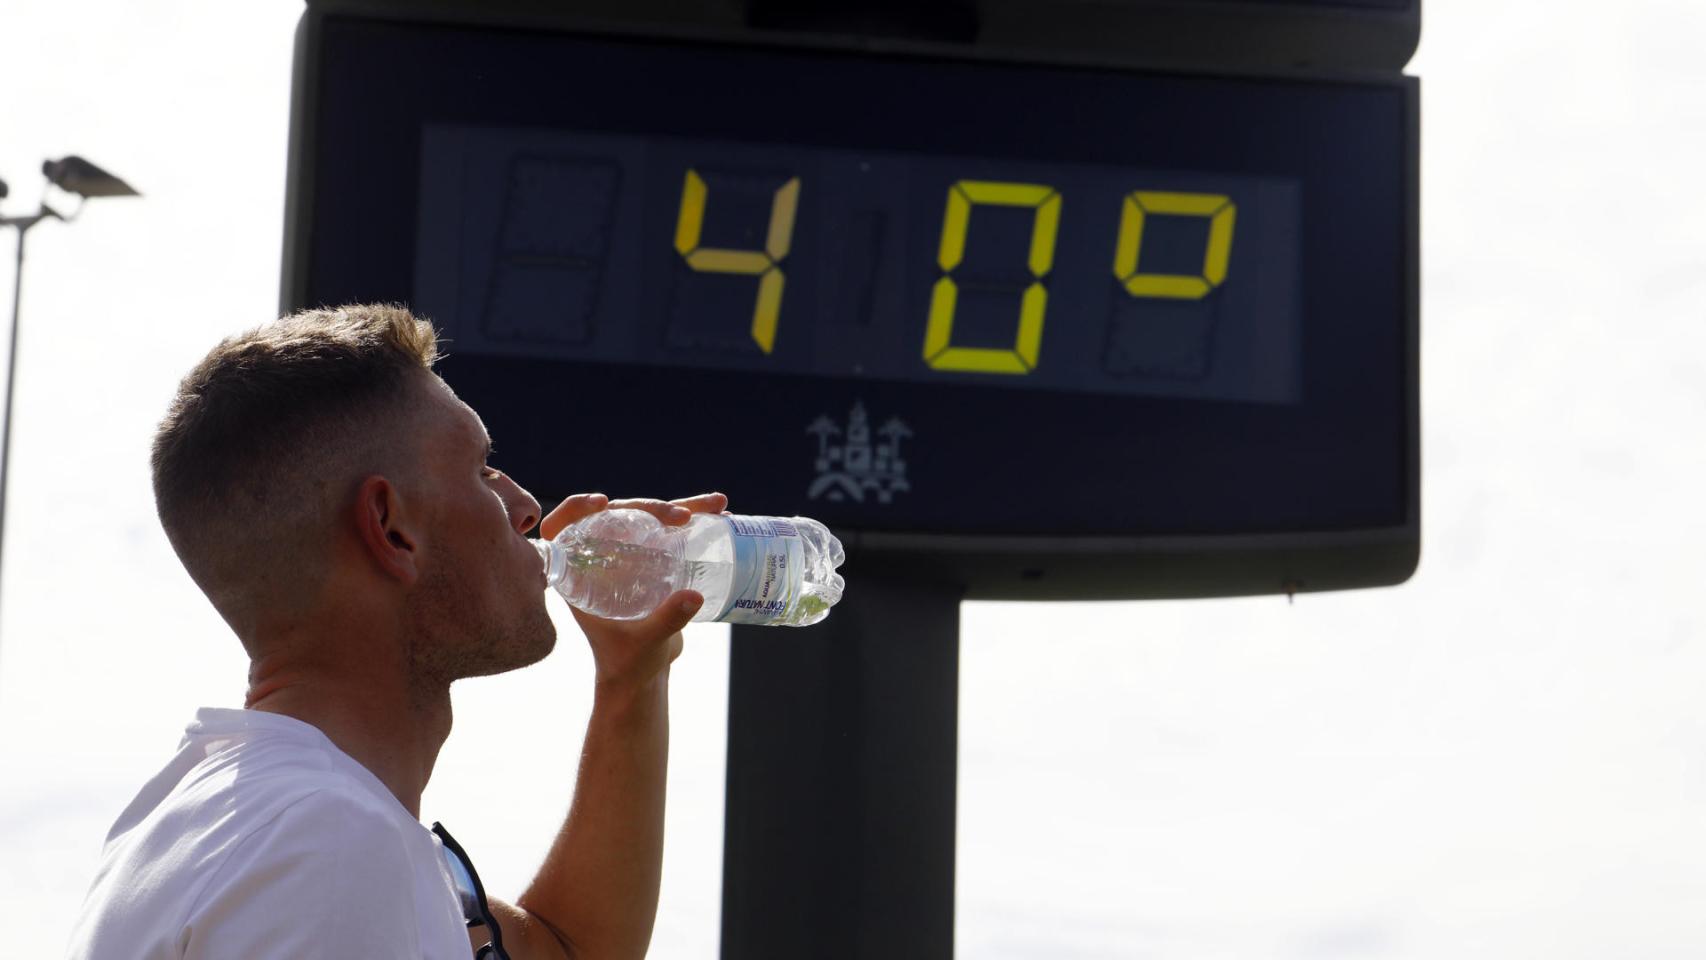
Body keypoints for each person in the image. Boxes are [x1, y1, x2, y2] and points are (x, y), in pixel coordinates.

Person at [65, 303, 720, 959]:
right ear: (391, 526)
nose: (526, 506)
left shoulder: (209, 821)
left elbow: (568, 949)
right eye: (482, 470)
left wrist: (632, 680)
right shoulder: (331, 845)